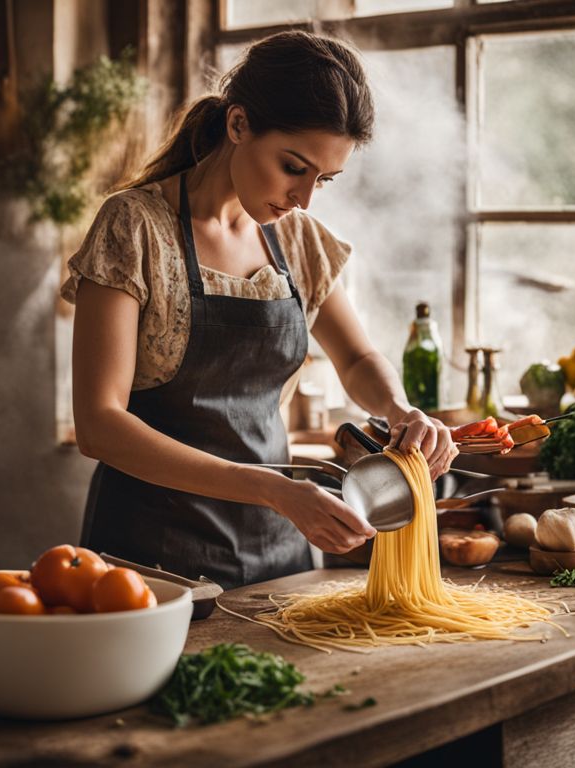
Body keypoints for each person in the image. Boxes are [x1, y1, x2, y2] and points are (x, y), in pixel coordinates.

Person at [62, 31, 458, 589]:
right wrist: (273, 488)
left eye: (324, 179)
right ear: (239, 124)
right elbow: (99, 427)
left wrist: (400, 409)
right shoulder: (133, 228)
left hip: (281, 554)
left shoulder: (299, 241)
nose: (304, 198)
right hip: (149, 564)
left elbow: (357, 357)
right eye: (293, 167)